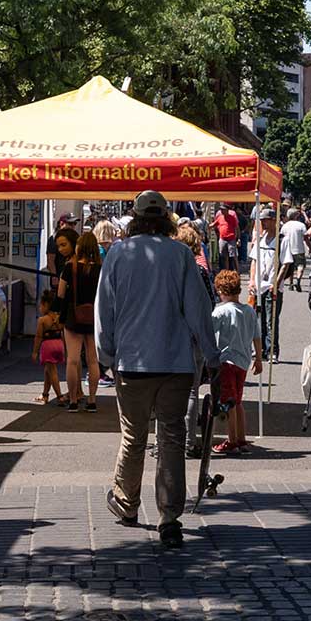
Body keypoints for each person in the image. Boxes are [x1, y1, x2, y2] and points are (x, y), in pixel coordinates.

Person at [97, 190, 218, 549]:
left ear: (134, 218)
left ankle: (127, 502)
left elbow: (105, 310)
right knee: (171, 438)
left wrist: (106, 356)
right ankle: (169, 517)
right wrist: (211, 356)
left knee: (134, 437)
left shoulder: (119, 253)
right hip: (176, 362)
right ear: (166, 218)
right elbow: (199, 310)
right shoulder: (181, 254)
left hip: (132, 362)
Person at [209, 269, 262, 456]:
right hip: (243, 361)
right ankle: (241, 437)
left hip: (226, 360)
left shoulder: (219, 312)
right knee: (238, 401)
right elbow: (257, 335)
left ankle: (232, 440)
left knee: (229, 402)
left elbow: (209, 335)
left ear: (220, 291)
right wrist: (259, 358)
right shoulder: (248, 310)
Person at [59, 231, 103, 412]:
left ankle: (73, 400)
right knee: (93, 361)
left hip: (73, 317)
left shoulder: (70, 267)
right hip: (94, 318)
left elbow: (60, 293)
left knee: (72, 360)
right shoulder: (101, 269)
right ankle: (92, 400)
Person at [246, 207, 281, 361]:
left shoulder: (280, 240)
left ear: (274, 220)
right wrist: (252, 280)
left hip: (273, 286)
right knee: (258, 319)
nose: (263, 223)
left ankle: (273, 350)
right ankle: (260, 349)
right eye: (262, 220)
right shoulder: (260, 239)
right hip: (259, 285)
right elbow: (254, 261)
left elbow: (286, 264)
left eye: (266, 220)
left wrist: (276, 282)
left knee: (271, 319)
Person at [33, 291, 66, 404]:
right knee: (48, 371)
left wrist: (35, 352)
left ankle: (59, 396)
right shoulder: (59, 318)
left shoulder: (42, 320)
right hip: (59, 344)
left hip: (48, 346)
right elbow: (63, 332)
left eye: (40, 305)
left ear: (46, 305)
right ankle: (45, 394)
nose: (39, 307)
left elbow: (38, 337)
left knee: (52, 372)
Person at [278, 207, 310, 291]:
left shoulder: (285, 226)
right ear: (296, 215)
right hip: (299, 248)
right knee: (300, 265)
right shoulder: (301, 225)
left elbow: (281, 237)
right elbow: (306, 237)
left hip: (288, 249)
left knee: (290, 266)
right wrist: (309, 247)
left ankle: (291, 283)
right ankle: (298, 279)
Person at [212, 204, 241, 269]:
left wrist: (238, 239)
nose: (221, 211)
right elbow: (214, 224)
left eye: (223, 210)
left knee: (233, 256)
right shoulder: (220, 217)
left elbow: (237, 228)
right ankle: (226, 271)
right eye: (221, 209)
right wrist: (208, 226)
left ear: (227, 210)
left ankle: (237, 270)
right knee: (224, 256)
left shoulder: (232, 217)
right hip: (222, 239)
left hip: (231, 239)